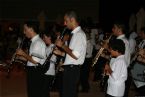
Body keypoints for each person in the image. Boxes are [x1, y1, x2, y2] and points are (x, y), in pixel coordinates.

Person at [53, 10, 87, 97]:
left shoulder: (79, 34)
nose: (64, 23)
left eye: (66, 21)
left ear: (72, 19)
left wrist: (63, 46)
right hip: (70, 69)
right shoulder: (74, 34)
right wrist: (61, 53)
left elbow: (75, 55)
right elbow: (71, 54)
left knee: (69, 94)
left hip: (72, 70)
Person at [16, 21, 46, 97]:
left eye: (25, 29)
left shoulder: (38, 42)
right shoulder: (34, 42)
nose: (24, 32)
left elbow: (35, 61)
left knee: (35, 93)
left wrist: (23, 53)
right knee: (32, 93)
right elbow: (30, 59)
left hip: (36, 71)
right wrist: (19, 57)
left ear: (31, 29)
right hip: (32, 70)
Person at [40, 30, 57, 97]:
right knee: (44, 91)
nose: (43, 39)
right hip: (45, 71)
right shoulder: (47, 47)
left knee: (45, 91)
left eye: (44, 37)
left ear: (49, 37)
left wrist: (43, 57)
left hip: (49, 72)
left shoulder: (53, 47)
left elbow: (53, 60)